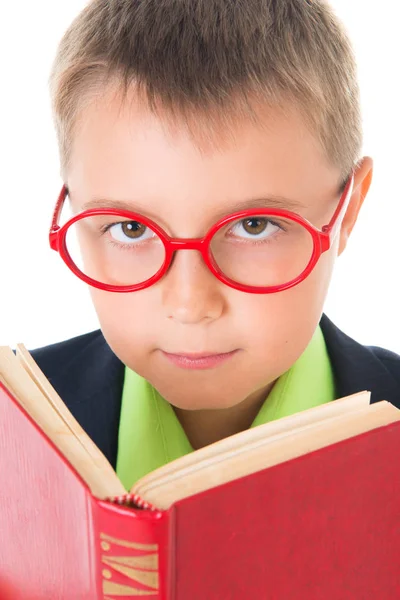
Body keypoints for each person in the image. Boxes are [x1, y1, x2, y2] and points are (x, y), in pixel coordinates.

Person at [33, 0, 400, 491]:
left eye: (253, 226)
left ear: (348, 212)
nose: (190, 305)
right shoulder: (14, 436)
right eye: (130, 229)